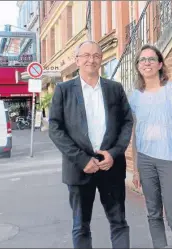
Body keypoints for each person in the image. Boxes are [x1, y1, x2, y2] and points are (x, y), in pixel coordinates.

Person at [49, 41, 133, 249]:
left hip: (110, 166)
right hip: (79, 169)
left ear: (101, 59)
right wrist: (81, 159)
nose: (91, 59)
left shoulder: (115, 88)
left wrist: (114, 153)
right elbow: (55, 128)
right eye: (85, 55)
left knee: (119, 223)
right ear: (77, 60)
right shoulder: (63, 90)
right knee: (81, 225)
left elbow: (127, 122)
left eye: (96, 55)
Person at [129, 44, 172, 248]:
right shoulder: (135, 96)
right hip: (145, 160)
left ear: (160, 64)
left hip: (171, 160)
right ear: (138, 66)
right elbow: (135, 134)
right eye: (142, 60)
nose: (146, 63)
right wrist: (136, 169)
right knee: (153, 212)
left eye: (151, 59)